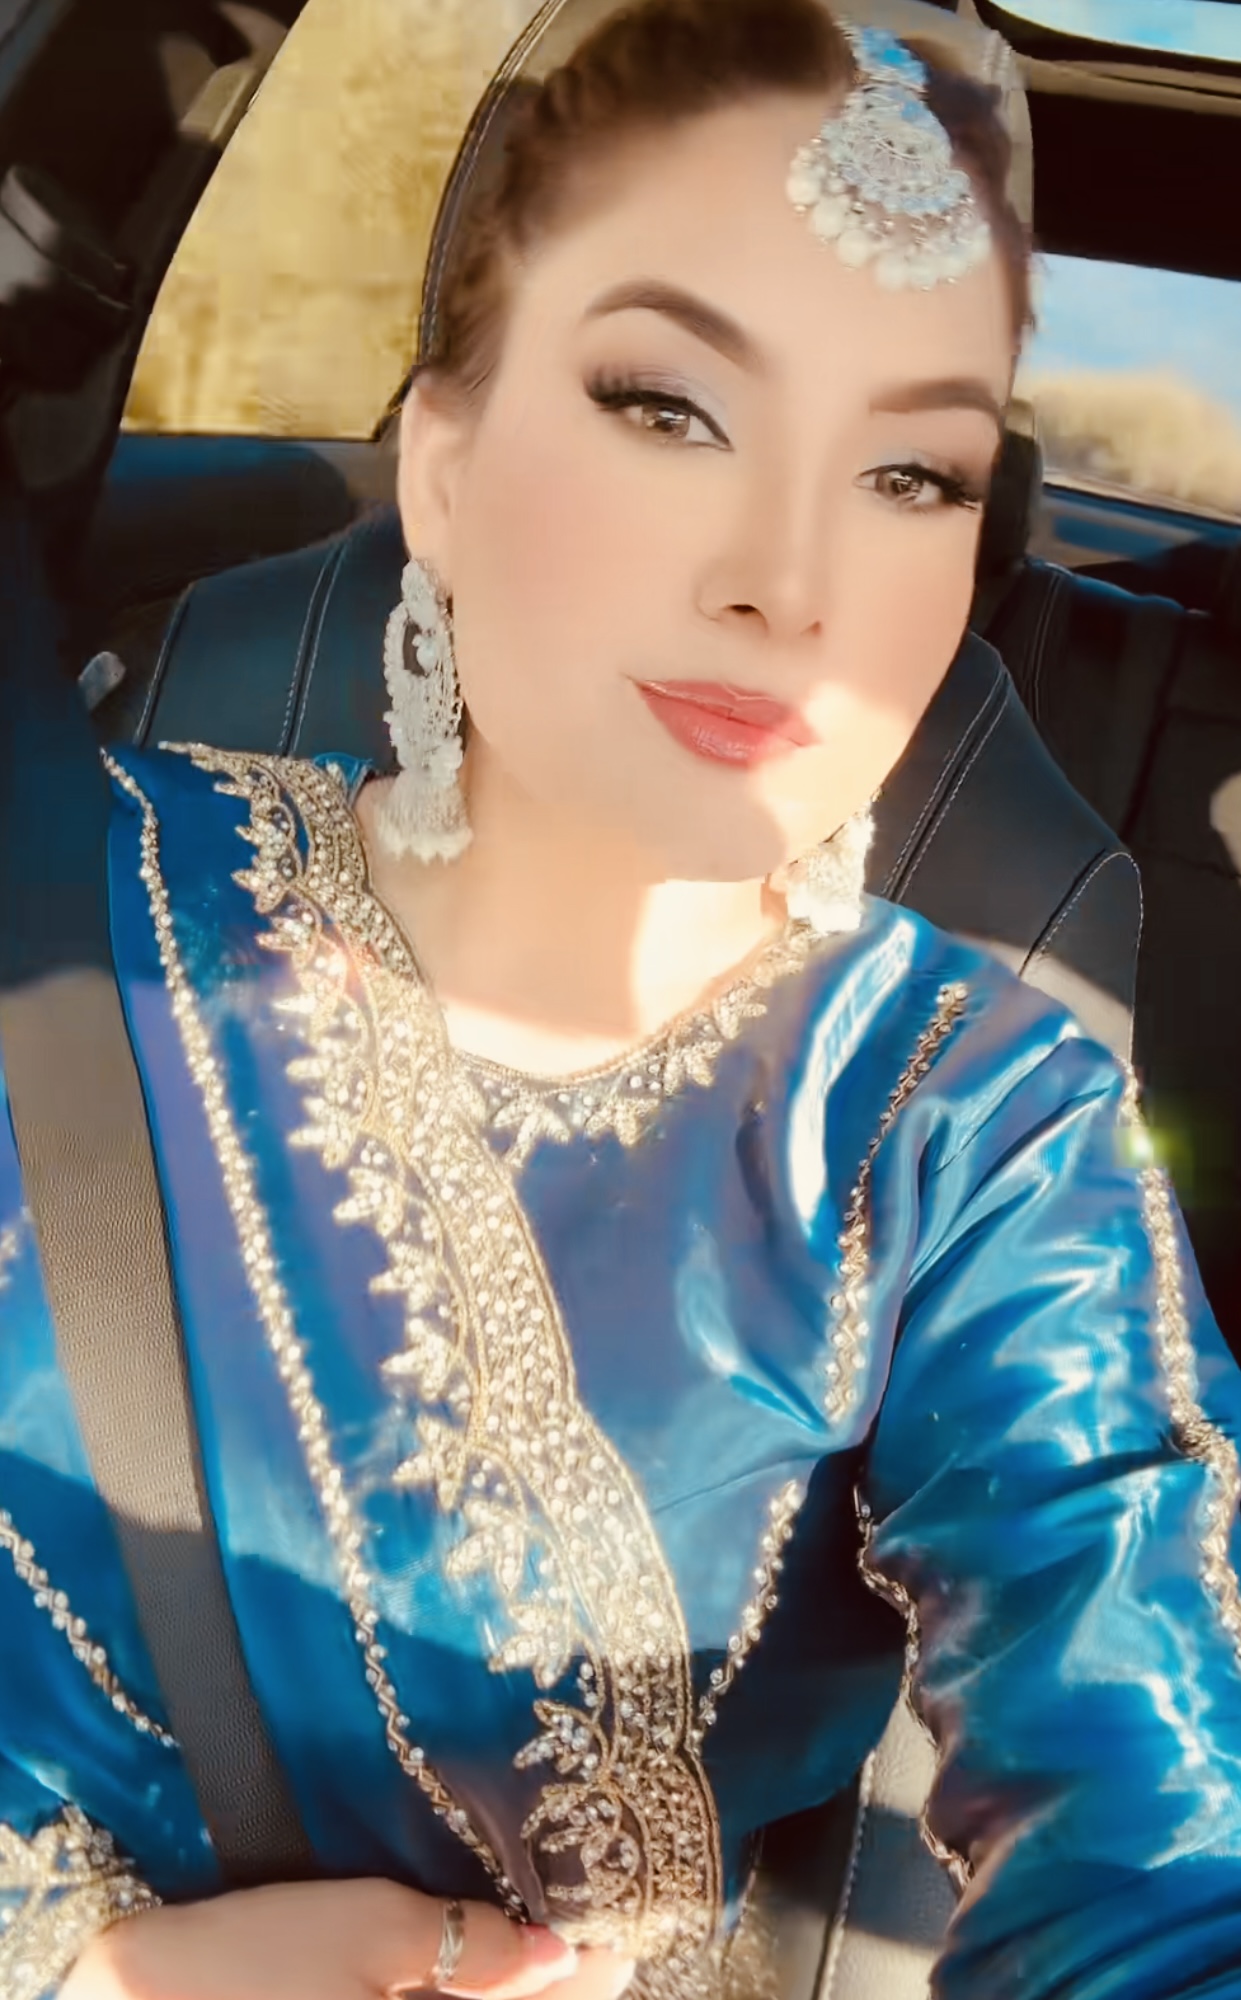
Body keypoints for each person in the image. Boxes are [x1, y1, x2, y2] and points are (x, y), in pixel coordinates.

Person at [4, 2, 1241, 1997]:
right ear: (441, 459)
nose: (786, 577)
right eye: (669, 406)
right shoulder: (71, 903)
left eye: (911, 471)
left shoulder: (971, 1123)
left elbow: (1154, 1811)